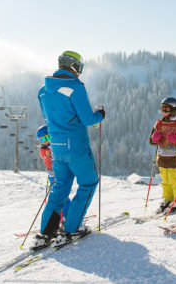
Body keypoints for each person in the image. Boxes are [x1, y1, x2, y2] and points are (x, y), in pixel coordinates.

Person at [32, 51, 105, 251]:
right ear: (74, 67)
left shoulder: (43, 91)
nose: (80, 72)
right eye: (79, 68)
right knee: (89, 183)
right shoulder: (74, 88)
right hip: (76, 147)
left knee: (60, 188)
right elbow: (88, 119)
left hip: (56, 148)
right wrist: (100, 114)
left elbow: (50, 119)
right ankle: (71, 229)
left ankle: (46, 233)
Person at [149, 97, 176, 214]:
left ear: (174, 110)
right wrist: (154, 139)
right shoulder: (159, 123)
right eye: (162, 109)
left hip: (175, 159)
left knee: (175, 181)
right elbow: (151, 140)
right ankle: (168, 199)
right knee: (165, 181)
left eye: (166, 109)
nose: (163, 111)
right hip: (162, 158)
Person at [36, 125, 70, 221]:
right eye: (42, 140)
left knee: (61, 195)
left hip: (60, 173)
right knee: (55, 196)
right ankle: (60, 215)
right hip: (51, 174)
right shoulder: (43, 149)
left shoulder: (56, 145)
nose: (46, 141)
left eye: (47, 138)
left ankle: (68, 215)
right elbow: (46, 159)